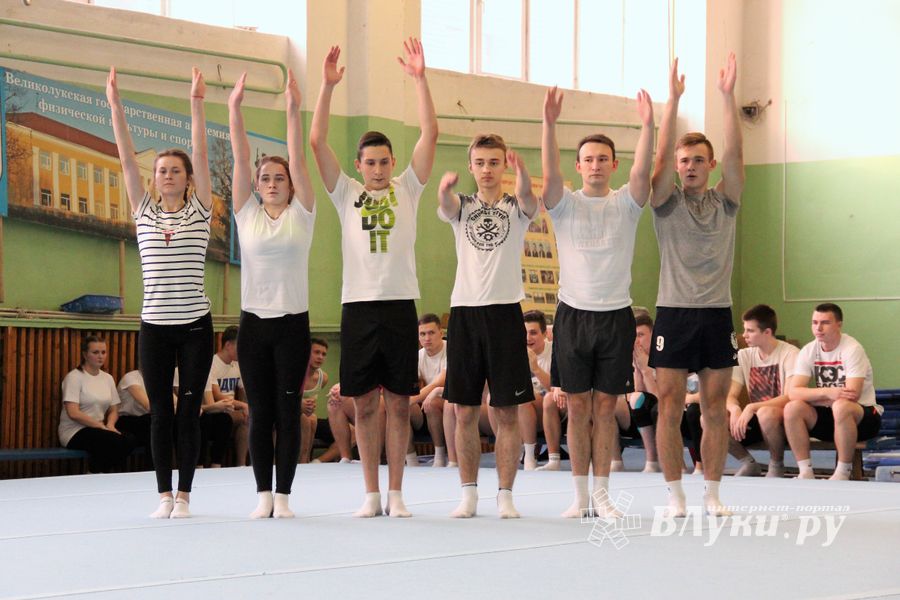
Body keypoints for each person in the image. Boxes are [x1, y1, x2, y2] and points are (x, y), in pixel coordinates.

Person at [309, 39, 438, 518]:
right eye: (371, 163)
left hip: (400, 304)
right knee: (363, 405)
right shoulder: (345, 194)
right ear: (359, 166)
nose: (380, 169)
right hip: (359, 306)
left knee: (400, 404)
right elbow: (317, 142)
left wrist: (420, 79)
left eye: (386, 161)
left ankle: (398, 492)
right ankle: (369, 492)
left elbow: (431, 131)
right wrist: (325, 87)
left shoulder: (409, 189)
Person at [540, 80, 654, 517]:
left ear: (613, 164)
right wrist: (548, 124)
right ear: (579, 165)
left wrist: (647, 125)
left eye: (603, 159)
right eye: (588, 159)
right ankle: (579, 495)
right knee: (578, 405)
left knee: (606, 408)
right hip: (573, 316)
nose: (595, 165)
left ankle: (602, 494)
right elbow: (549, 177)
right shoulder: (564, 204)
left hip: (614, 316)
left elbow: (643, 174)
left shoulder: (626, 203)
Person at [108, 66, 214, 519]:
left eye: (175, 170)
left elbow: (204, 155)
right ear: (153, 179)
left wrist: (196, 102)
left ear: (188, 178)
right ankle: (162, 495)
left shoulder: (201, 211)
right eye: (161, 171)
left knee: (188, 412)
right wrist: (115, 105)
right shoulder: (143, 210)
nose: (167, 175)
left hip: (194, 328)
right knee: (160, 415)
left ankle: (186, 495)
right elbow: (127, 159)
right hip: (154, 327)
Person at [648, 54, 744, 518]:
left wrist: (727, 96)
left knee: (713, 406)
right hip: (674, 310)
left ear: (709, 165)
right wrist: (673, 100)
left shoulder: (726, 201)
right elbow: (661, 159)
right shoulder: (665, 203)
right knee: (668, 403)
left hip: (716, 313)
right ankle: (675, 494)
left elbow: (737, 156)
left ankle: (711, 492)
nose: (689, 167)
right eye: (684, 161)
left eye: (698, 161)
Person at [229, 68, 316, 519]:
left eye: (279, 177)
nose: (272, 182)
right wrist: (234, 108)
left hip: (292, 326)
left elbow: (299, 157)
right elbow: (241, 159)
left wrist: (293, 109)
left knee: (288, 410)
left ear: (291, 184)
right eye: (266, 177)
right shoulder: (246, 214)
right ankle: (263, 493)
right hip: (254, 326)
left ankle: (284, 496)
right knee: (260, 412)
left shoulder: (303, 214)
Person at [438, 134, 537, 518]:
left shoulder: (516, 208)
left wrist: (523, 170)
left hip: (504, 313)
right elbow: (444, 206)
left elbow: (530, 200)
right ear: (471, 167)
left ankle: (506, 494)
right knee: (464, 411)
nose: (486, 170)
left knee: (507, 411)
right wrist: (445, 189)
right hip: (465, 312)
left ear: (503, 167)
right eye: (479, 163)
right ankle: (468, 493)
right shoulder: (462, 206)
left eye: (494, 163)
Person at [785, 303, 882, 480]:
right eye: (814, 322)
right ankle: (805, 471)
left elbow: (853, 394)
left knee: (841, 406)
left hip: (864, 417)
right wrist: (828, 393)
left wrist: (814, 397)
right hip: (830, 415)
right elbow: (793, 392)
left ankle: (843, 471)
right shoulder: (808, 350)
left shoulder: (852, 349)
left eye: (825, 323)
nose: (818, 328)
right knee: (792, 408)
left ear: (839, 324)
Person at [725, 304, 799, 478]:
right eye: (744, 330)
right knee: (709, 417)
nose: (744, 335)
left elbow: (789, 396)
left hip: (781, 420)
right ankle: (747, 462)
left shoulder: (790, 354)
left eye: (750, 331)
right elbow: (730, 395)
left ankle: (776, 463)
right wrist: (735, 409)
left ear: (767, 332)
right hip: (755, 420)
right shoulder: (744, 356)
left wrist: (752, 407)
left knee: (766, 412)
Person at [58, 336, 136, 473]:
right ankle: (95, 474)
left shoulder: (107, 378)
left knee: (129, 439)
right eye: (95, 352)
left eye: (103, 352)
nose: (100, 356)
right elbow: (73, 412)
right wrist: (100, 426)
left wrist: (110, 425)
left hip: (100, 429)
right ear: (84, 354)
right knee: (111, 441)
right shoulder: (74, 377)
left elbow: (114, 408)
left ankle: (98, 472)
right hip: (74, 431)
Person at [611, 312, 661, 473]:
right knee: (608, 403)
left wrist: (646, 370)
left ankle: (652, 460)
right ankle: (616, 460)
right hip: (637, 415)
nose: (636, 341)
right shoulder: (629, 359)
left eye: (640, 335)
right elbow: (634, 394)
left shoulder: (662, 358)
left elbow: (660, 400)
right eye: (633, 336)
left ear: (652, 335)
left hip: (659, 414)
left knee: (639, 400)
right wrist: (638, 370)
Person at [411, 314, 451, 467]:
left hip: (449, 401)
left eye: (431, 333)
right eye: (422, 334)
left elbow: (439, 382)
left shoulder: (451, 350)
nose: (427, 338)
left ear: (441, 333)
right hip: (425, 405)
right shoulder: (418, 356)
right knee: (399, 405)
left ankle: (439, 454)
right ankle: (411, 458)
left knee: (432, 403)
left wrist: (411, 399)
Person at [206, 326, 249, 467]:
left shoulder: (238, 365)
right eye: (240, 345)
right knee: (237, 417)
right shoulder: (211, 364)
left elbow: (243, 391)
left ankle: (241, 464)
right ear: (228, 345)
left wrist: (245, 407)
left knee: (249, 419)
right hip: (216, 410)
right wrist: (243, 406)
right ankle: (216, 463)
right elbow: (217, 395)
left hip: (232, 408)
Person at [521, 310, 552, 471]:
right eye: (524, 333)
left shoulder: (554, 351)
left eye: (533, 333)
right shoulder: (515, 353)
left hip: (551, 408)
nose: (528, 338)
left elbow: (555, 388)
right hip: (521, 411)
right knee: (493, 399)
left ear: (545, 333)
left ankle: (529, 455)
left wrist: (536, 369)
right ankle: (509, 453)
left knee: (525, 396)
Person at [300, 338, 330, 464]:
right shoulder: (295, 373)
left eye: (323, 354)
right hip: (286, 414)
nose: (320, 357)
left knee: (312, 418)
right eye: (316, 352)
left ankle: (311, 461)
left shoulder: (323, 378)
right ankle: (302, 461)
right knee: (308, 420)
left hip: (307, 417)